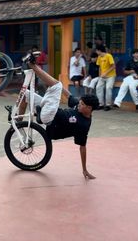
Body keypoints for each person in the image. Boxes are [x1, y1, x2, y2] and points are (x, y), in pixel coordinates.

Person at [21, 52, 99, 180]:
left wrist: (84, 169)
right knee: (25, 94)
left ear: (89, 108)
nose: (79, 104)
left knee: (56, 85)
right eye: (79, 102)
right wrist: (61, 86)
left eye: (82, 104)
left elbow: (82, 147)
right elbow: (69, 95)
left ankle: (31, 65)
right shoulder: (79, 106)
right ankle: (18, 125)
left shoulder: (84, 125)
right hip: (48, 112)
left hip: (50, 118)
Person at [95, 44, 116, 111]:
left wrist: (105, 73)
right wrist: (99, 76)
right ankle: (100, 104)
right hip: (102, 76)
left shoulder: (109, 56)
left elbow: (113, 66)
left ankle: (108, 105)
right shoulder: (99, 57)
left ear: (99, 50)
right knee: (98, 87)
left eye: (96, 50)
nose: (96, 52)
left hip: (110, 76)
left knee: (108, 88)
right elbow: (99, 67)